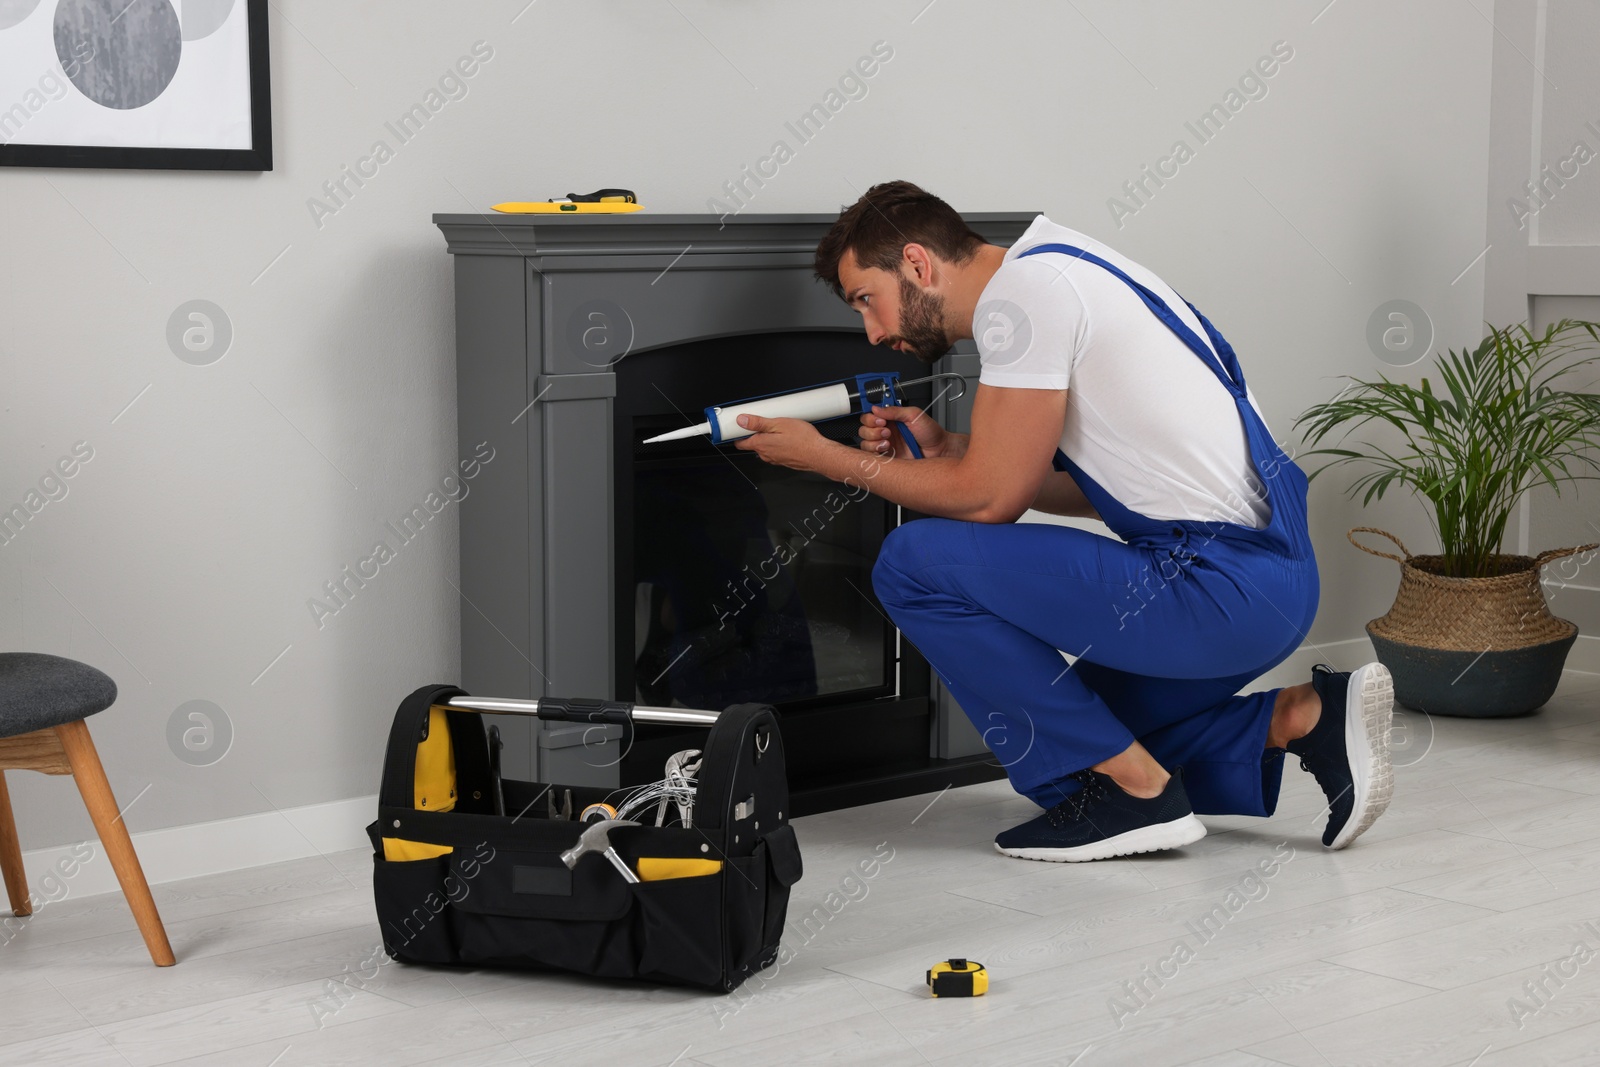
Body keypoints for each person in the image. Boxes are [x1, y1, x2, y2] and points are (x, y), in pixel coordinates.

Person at [731, 180, 1394, 862]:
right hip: (1271, 586)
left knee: (909, 562)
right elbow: (1093, 485)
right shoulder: (1066, 267)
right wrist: (954, 450)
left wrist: (825, 457)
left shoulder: (1021, 300)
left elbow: (994, 500)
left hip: (1216, 586)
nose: (873, 333)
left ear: (917, 263)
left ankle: (1139, 798)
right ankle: (1303, 718)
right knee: (1074, 741)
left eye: (866, 299)